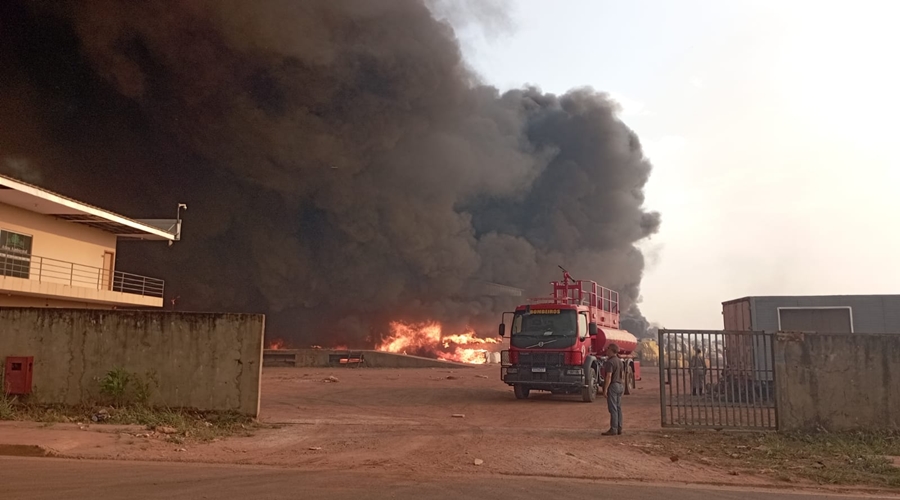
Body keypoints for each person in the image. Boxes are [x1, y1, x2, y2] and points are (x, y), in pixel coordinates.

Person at [601, 343, 625, 436]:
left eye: (608, 349)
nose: (606, 350)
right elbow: (622, 375)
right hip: (620, 385)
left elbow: (609, 376)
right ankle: (619, 427)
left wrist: (605, 389)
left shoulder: (610, 362)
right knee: (618, 408)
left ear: (611, 350)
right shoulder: (619, 361)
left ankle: (613, 429)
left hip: (613, 385)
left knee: (613, 408)